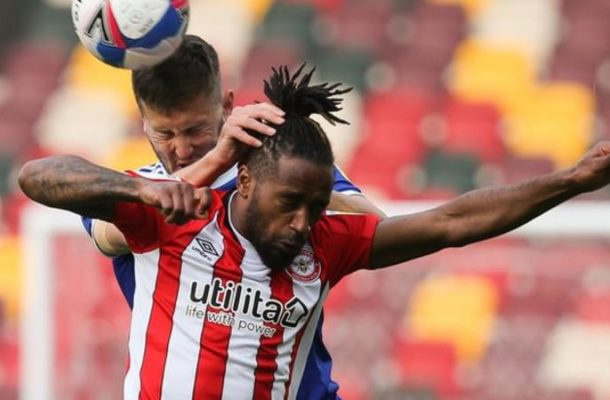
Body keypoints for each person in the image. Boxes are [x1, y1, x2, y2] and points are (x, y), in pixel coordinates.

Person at [19, 64, 610, 399]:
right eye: (291, 205)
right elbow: (39, 176)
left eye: (316, 205)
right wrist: (140, 191)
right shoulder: (171, 216)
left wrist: (574, 179)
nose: (303, 223)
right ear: (244, 183)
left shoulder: (325, 243)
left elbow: (454, 222)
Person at [82, 34, 384, 397]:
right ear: (143, 121)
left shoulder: (277, 164)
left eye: (196, 129)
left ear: (227, 108)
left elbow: (376, 226)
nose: (181, 148)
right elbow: (104, 233)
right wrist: (218, 162)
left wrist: (273, 187)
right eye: (164, 133)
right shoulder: (141, 192)